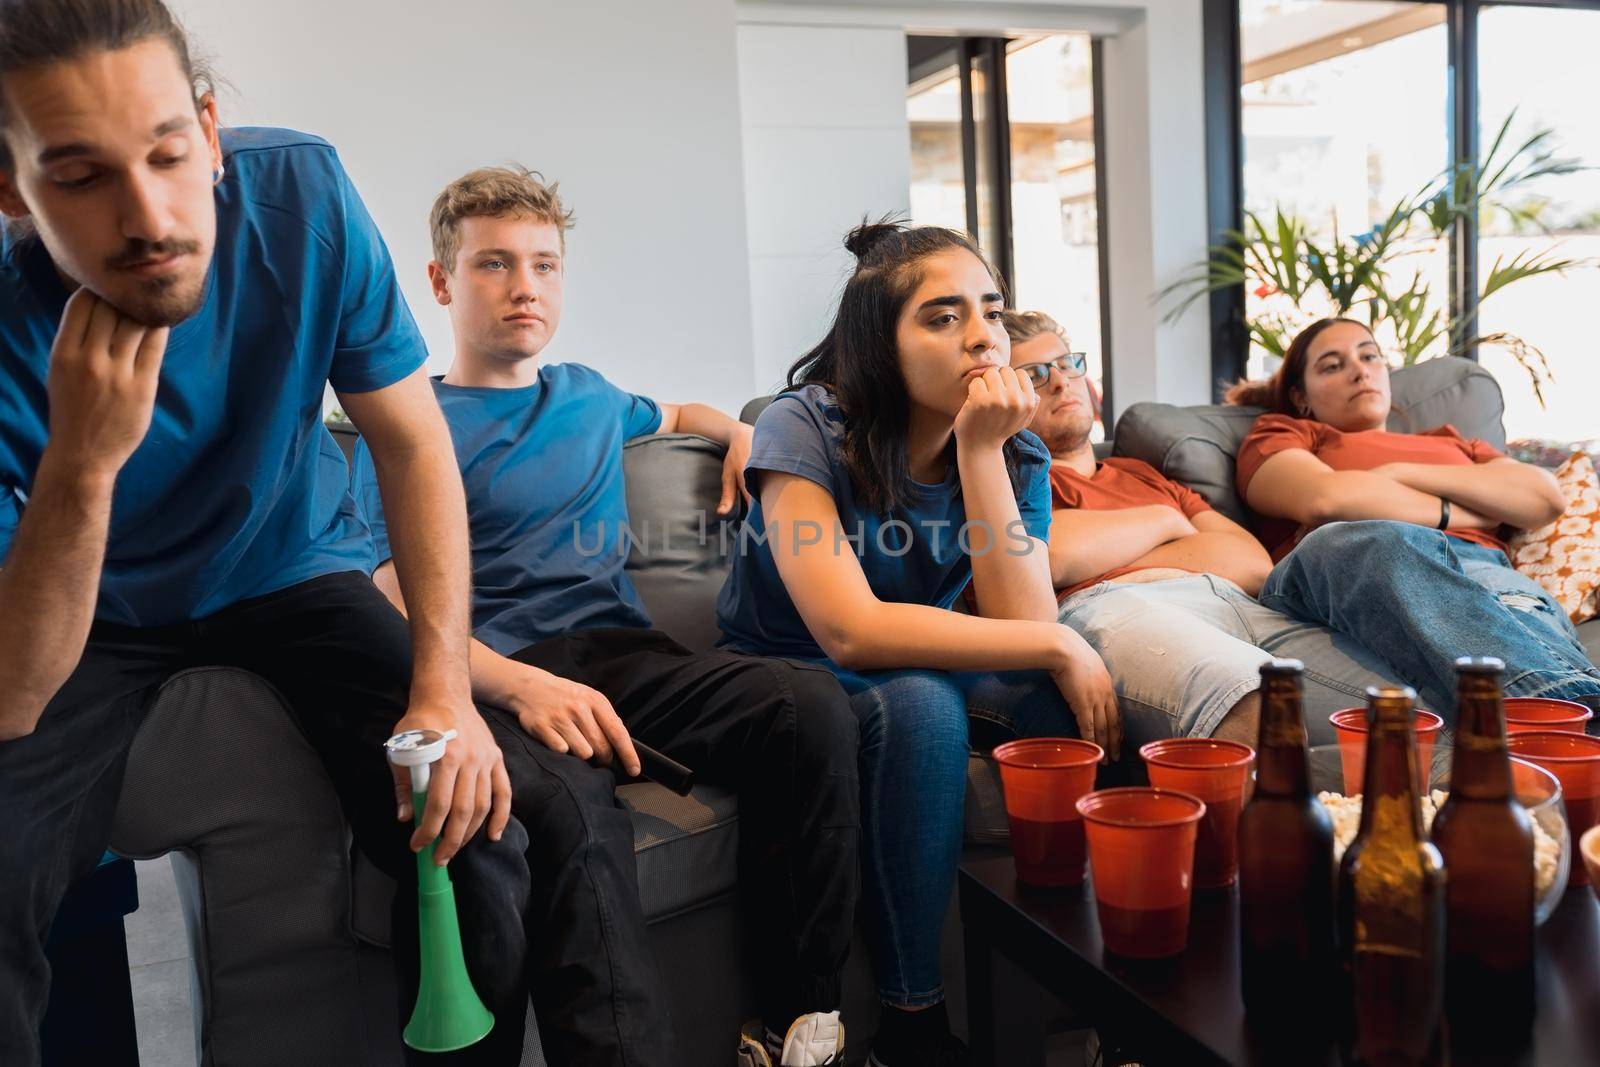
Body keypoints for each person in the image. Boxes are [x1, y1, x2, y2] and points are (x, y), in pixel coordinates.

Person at [0, 3, 533, 1064]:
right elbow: (14, 693)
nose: (149, 216)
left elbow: (413, 442)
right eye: (80, 176)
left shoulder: (300, 192)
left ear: (207, 128)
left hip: (287, 570)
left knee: (479, 830)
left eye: (166, 153)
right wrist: (83, 464)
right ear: (10, 191)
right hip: (86, 611)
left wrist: (444, 689)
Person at [349, 166, 859, 1067]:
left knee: (808, 703)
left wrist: (744, 432)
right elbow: (383, 594)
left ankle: (795, 1026)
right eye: (494, 264)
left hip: (625, 659)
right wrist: (512, 682)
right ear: (440, 282)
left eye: (544, 265)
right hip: (499, 678)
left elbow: (677, 410)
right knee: (579, 826)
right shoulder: (402, 420)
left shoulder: (588, 394)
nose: (524, 287)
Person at [716, 222, 1119, 1067]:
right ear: (879, 343)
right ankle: (911, 1025)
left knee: (1072, 711)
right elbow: (849, 630)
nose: (982, 337)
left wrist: (981, 450)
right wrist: (1056, 642)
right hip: (791, 668)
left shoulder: (1019, 450)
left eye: (992, 312)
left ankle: (1113, 1003)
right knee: (925, 703)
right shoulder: (808, 426)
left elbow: (1020, 629)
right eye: (941, 318)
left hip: (922, 650)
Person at [1006, 310, 1404, 742]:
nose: (1062, 382)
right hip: (1119, 607)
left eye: (1067, 364)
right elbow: (1055, 555)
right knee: (1251, 697)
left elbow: (1252, 563)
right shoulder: (1010, 477)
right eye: (1035, 375)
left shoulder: (1140, 473)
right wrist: (1168, 520)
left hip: (1239, 603)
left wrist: (1116, 545)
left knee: (1403, 713)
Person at [1230, 316, 1600, 719]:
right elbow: (1327, 499)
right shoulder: (1284, 431)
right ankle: (1559, 712)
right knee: (1360, 539)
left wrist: (1397, 473)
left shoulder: (1454, 442)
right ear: (1301, 396)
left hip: (1476, 567)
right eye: (1333, 365)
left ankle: (1563, 718)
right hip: (1346, 563)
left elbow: (1545, 498)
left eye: (1369, 356)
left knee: (1515, 607)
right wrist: (1466, 512)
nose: (1360, 370)